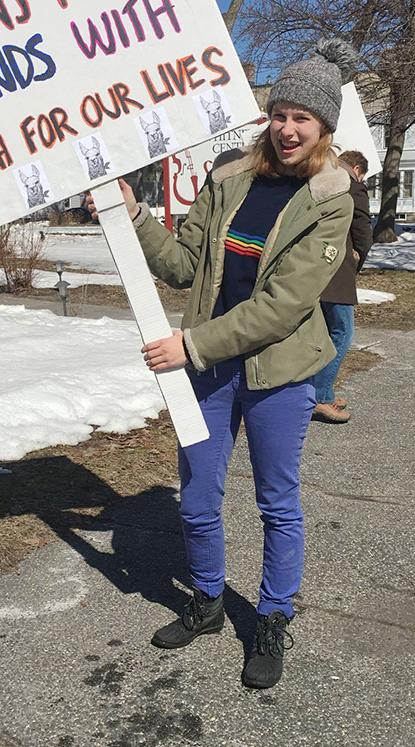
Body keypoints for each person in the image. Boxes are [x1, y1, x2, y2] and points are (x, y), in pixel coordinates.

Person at [87, 38, 357, 689]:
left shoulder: (331, 196)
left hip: (279, 371)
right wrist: (134, 213)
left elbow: (283, 304)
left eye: (304, 119)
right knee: (199, 495)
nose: (289, 128)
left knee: (276, 501)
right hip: (210, 369)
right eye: (281, 113)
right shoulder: (229, 175)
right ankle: (207, 601)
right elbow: (184, 265)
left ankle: (269, 617)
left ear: (324, 128)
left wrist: (192, 347)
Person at [312, 150, 373, 423]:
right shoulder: (354, 186)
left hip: (314, 268)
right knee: (342, 333)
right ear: (358, 169)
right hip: (338, 271)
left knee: (322, 335)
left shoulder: (320, 180)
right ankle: (320, 398)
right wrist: (356, 259)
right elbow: (362, 231)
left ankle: (318, 391)